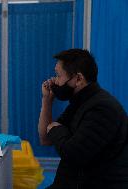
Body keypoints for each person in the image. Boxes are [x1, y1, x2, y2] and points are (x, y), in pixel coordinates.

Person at [38, 49, 128, 188]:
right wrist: (47, 101)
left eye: (58, 75)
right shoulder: (81, 102)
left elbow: (73, 155)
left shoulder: (103, 109)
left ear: (78, 79)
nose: (54, 81)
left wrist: (56, 130)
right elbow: (45, 139)